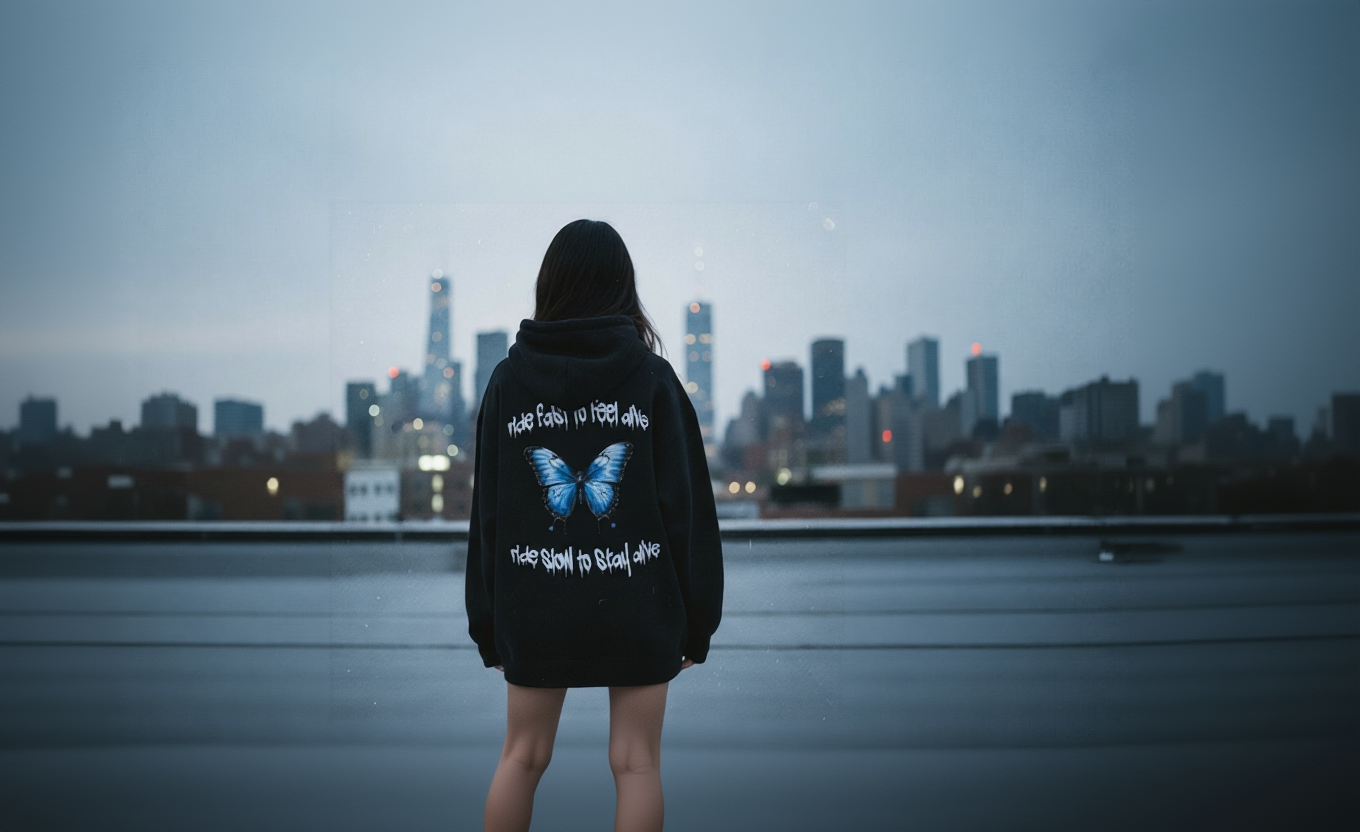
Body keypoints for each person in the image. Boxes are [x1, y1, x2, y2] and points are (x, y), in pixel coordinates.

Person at [466, 219, 724, 832]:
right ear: (623, 288)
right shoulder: (654, 381)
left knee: (521, 758)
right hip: (639, 605)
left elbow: (489, 517)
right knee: (636, 765)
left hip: (535, 605)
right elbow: (688, 511)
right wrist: (698, 623)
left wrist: (488, 626)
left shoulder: (506, 383)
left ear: (549, 285)